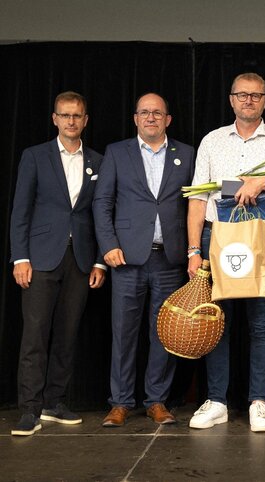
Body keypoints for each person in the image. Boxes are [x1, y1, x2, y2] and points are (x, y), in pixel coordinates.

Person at [186, 72, 265, 433]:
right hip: (217, 236)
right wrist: (193, 249)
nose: (249, 101)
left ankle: (259, 402)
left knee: (261, 321)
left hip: (259, 239)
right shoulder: (212, 141)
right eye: (242, 95)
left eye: (256, 95)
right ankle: (217, 401)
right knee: (217, 319)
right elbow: (198, 199)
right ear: (231, 99)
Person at [93, 93, 195, 427]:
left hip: (170, 258)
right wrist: (108, 245)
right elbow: (102, 202)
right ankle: (120, 402)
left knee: (164, 333)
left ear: (168, 120)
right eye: (145, 112)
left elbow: (197, 202)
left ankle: (156, 401)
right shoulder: (117, 152)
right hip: (127, 259)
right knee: (123, 333)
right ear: (135, 118)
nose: (151, 117)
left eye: (157, 113)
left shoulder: (187, 154)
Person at [9, 91, 106, 436]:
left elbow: (100, 214)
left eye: (77, 115)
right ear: (55, 119)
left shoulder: (98, 160)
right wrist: (20, 257)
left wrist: (100, 261)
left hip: (80, 259)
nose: (71, 121)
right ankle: (29, 409)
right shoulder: (35, 156)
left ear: (85, 120)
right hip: (40, 258)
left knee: (67, 333)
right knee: (35, 334)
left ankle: (54, 402)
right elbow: (20, 211)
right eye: (65, 115)